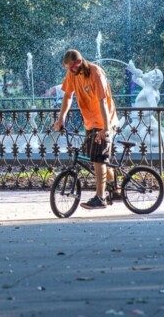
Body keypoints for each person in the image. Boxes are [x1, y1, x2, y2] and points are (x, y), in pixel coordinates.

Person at [52, 49, 120, 209]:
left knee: (98, 159)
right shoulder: (72, 74)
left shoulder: (96, 73)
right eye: (67, 69)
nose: (69, 71)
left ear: (78, 63)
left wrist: (106, 128)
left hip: (105, 122)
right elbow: (68, 96)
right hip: (90, 123)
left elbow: (103, 101)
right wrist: (61, 118)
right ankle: (115, 188)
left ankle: (100, 198)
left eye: (70, 68)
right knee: (96, 159)